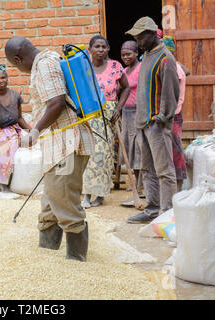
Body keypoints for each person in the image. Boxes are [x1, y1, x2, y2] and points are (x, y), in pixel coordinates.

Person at [4, 36, 96, 262]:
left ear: (18, 59)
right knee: (50, 202)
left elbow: (56, 102)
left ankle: (76, 261)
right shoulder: (49, 59)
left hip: (67, 144)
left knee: (64, 200)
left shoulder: (44, 65)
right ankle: (47, 254)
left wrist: (35, 130)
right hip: (58, 145)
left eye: (15, 65)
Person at [125, 17, 179, 224]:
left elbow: (170, 93)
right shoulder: (146, 56)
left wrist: (162, 117)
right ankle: (151, 210)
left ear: (151, 34)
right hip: (143, 123)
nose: (138, 41)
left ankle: (167, 214)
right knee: (147, 169)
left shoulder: (165, 58)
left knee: (164, 171)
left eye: (140, 37)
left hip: (157, 124)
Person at [81, 35, 130, 208]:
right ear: (90, 49)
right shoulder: (84, 68)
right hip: (88, 115)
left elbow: (126, 88)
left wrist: (118, 108)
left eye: (104, 47)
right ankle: (86, 194)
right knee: (87, 154)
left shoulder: (115, 66)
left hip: (108, 116)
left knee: (103, 154)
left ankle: (100, 194)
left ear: (108, 49)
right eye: (97, 47)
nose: (100, 50)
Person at [0, 64, 32, 192]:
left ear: (7, 78)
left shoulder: (15, 95)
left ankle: (6, 183)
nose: (1, 81)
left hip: (11, 130)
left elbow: (19, 117)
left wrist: (31, 130)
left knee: (9, 152)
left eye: (3, 77)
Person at [161, 36, 189, 192]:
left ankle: (178, 185)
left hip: (173, 115)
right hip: (171, 114)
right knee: (171, 149)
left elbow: (171, 93)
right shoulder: (175, 66)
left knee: (175, 149)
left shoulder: (174, 68)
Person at [119, 40, 143, 206]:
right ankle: (135, 184)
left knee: (140, 148)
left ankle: (141, 186)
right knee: (130, 148)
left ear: (136, 53)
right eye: (123, 55)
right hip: (126, 113)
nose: (125, 57)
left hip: (138, 111)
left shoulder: (142, 69)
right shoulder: (125, 71)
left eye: (129, 54)